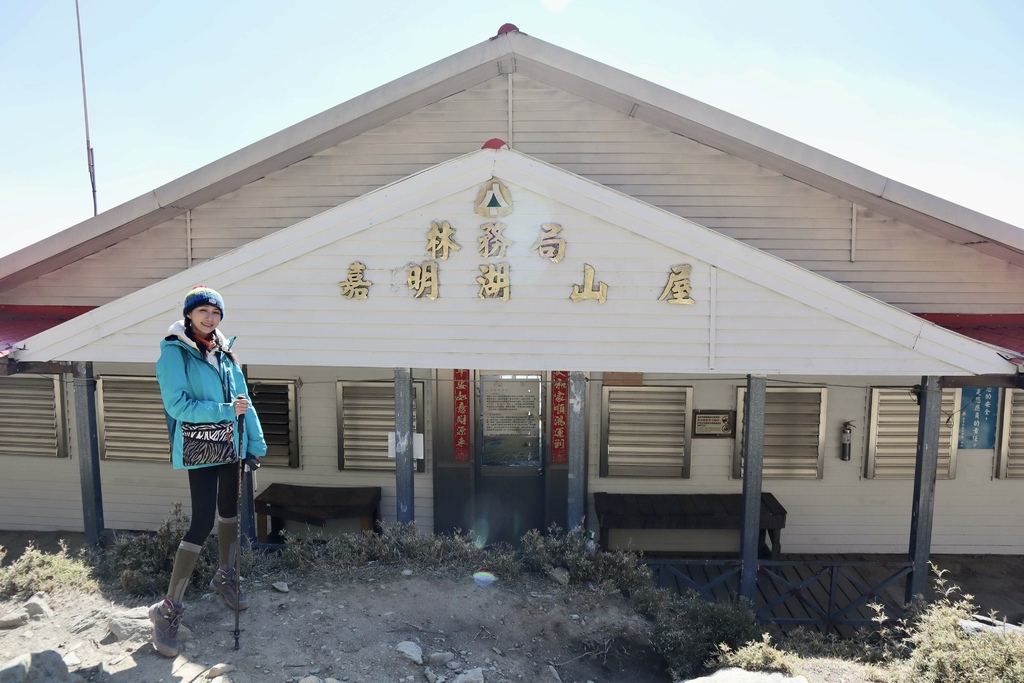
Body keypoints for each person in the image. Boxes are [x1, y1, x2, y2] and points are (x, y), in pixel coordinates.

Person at [149, 284, 267, 657]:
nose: (209, 317)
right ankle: (168, 609)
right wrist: (224, 410)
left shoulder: (226, 352)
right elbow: (178, 405)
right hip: (201, 446)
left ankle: (225, 577)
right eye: (203, 311)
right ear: (189, 315)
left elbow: (244, 402)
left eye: (215, 312)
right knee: (201, 522)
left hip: (231, 445)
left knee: (230, 513)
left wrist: (254, 445)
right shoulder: (173, 353)